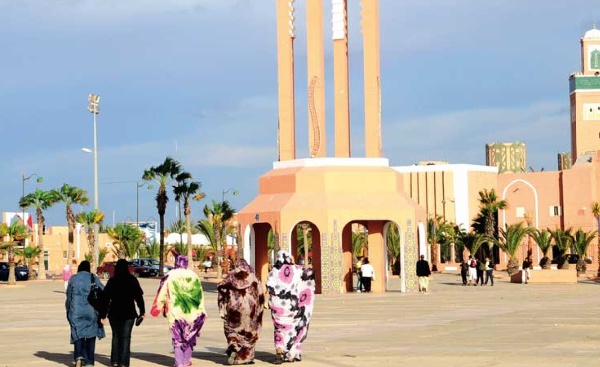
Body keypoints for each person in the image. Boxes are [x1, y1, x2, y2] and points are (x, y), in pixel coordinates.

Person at [151, 255, 206, 367]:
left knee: (178, 338)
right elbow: (200, 296)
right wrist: (202, 311)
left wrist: (157, 308)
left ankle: (179, 363)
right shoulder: (194, 276)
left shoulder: (170, 275)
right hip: (193, 312)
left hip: (175, 312)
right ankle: (186, 361)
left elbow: (162, 293)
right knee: (190, 337)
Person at [266, 250, 315, 364]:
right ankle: (291, 353)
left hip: (277, 305)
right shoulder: (297, 269)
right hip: (292, 304)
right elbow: (306, 276)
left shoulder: (274, 270)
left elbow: (268, 285)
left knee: (279, 328)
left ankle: (279, 350)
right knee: (292, 328)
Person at [217, 259, 265, 365]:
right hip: (250, 309)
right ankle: (247, 358)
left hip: (234, 309)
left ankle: (234, 346)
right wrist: (260, 309)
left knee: (232, 330)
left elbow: (221, 288)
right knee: (248, 332)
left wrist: (222, 307)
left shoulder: (231, 275)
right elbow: (261, 293)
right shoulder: (253, 276)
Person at [100, 259, 145, 367]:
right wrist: (142, 311)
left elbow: (105, 299)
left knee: (116, 336)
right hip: (129, 313)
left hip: (114, 312)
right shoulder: (132, 280)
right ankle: (124, 362)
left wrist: (103, 315)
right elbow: (139, 296)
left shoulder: (112, 280)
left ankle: (114, 361)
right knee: (126, 337)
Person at [65, 260, 105, 367]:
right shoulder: (93, 277)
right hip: (91, 311)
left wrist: (68, 309)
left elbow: (69, 296)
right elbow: (103, 291)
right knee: (91, 335)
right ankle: (90, 361)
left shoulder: (73, 279)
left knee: (78, 333)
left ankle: (79, 356)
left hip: (76, 311)